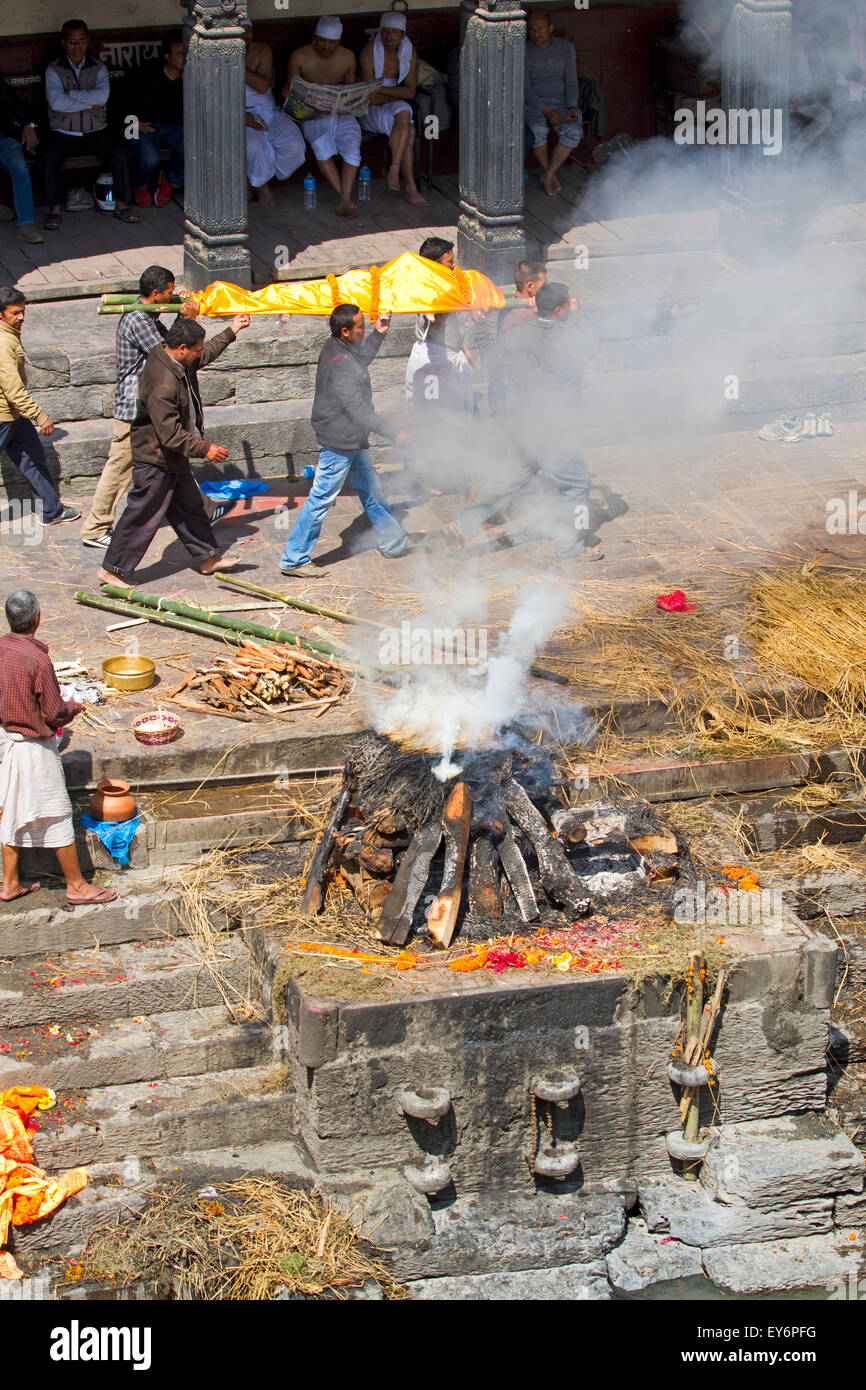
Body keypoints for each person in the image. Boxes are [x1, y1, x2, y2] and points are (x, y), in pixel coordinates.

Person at [448, 282, 602, 562]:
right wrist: (579, 314)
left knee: (509, 479)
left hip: (522, 423)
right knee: (577, 483)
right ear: (560, 309)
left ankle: (462, 525)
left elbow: (491, 358)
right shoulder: (569, 336)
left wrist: (482, 326)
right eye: (568, 303)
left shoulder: (519, 335)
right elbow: (593, 340)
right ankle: (570, 548)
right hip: (552, 427)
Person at [97, 314, 250, 585]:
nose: (199, 355)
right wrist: (204, 449)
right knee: (143, 513)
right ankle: (113, 569)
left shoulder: (172, 356)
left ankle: (207, 557)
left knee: (190, 507)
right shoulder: (163, 382)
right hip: (155, 458)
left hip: (172, 458)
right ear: (182, 349)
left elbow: (204, 355)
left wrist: (232, 329)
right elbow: (169, 434)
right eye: (196, 350)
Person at [0, 590, 117, 906]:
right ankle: (76, 885)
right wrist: (73, 706)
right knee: (57, 814)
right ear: (37, 619)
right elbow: (53, 714)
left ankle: (10, 882)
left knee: (11, 810)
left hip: (5, 740)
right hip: (31, 749)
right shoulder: (37, 659)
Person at [279, 304, 412, 576]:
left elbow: (359, 360)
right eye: (361, 327)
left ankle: (393, 541)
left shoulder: (339, 348)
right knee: (322, 498)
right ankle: (294, 559)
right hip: (339, 443)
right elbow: (360, 412)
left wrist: (379, 333)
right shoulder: (340, 365)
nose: (364, 329)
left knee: (372, 489)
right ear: (345, 331)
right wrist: (394, 432)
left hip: (350, 440)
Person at [81, 265, 205, 551]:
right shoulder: (137, 319)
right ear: (156, 293)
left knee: (174, 459)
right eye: (170, 292)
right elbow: (167, 352)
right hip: (132, 407)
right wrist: (186, 319)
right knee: (120, 467)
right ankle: (96, 526)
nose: (173, 296)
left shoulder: (150, 316)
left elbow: (172, 343)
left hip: (147, 406)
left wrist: (178, 316)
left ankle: (203, 510)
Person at [42, 19, 137, 231]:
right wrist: (88, 101)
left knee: (119, 154)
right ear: (63, 42)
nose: (77, 45)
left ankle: (122, 206)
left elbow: (102, 97)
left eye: (81, 40)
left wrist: (71, 95)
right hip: (64, 131)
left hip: (96, 130)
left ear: (88, 41)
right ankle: (54, 211)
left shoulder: (99, 67)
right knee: (49, 158)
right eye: (72, 41)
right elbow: (56, 103)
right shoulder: (53, 69)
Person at [0, 287, 79, 525]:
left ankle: (51, 510)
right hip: (4, 416)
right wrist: (40, 416)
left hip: (15, 418)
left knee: (33, 458)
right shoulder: (3, 344)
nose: (21, 317)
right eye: (15, 313)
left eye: (22, 312)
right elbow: (13, 391)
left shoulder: (10, 334)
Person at [284, 17, 363, 217]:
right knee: (321, 145)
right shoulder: (299, 56)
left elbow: (350, 89)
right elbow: (291, 89)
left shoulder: (347, 57)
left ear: (339, 41)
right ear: (314, 37)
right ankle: (344, 198)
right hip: (311, 113)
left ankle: (344, 199)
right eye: (322, 40)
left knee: (353, 143)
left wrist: (352, 99)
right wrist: (288, 93)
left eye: (332, 42)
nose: (326, 46)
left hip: (339, 112)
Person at [359, 14, 429, 206]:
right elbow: (369, 96)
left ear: (402, 35)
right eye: (385, 32)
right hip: (370, 108)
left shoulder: (409, 52)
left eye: (394, 32)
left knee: (405, 112)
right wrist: (396, 93)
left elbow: (411, 92)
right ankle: (410, 187)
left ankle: (394, 168)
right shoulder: (368, 52)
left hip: (389, 101)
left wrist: (381, 89)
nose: (389, 36)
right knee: (409, 129)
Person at [405, 236, 475, 414]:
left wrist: (465, 350)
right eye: (450, 262)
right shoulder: (429, 291)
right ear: (436, 265)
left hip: (450, 353)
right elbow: (436, 324)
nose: (454, 266)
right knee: (437, 412)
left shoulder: (443, 286)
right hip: (432, 361)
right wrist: (450, 300)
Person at [242, 23, 305, 207]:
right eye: (241, 30)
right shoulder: (215, 55)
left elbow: (262, 86)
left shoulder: (262, 50)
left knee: (294, 146)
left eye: (249, 30)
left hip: (268, 110)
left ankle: (253, 178)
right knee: (255, 145)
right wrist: (243, 117)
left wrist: (235, 63)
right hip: (235, 112)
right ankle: (261, 185)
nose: (246, 35)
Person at [525, 11, 582, 197]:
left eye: (540, 29)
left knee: (573, 131)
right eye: (532, 30)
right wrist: (546, 110)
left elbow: (572, 81)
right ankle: (548, 172)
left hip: (562, 103)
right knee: (537, 130)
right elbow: (525, 89)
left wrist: (573, 106)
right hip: (534, 104)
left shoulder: (566, 48)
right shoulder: (523, 50)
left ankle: (549, 174)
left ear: (550, 28)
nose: (536, 33)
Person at [129, 29, 185, 209]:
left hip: (172, 127)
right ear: (167, 56)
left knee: (196, 151)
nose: (185, 58)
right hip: (141, 125)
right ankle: (140, 185)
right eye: (179, 54)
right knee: (150, 158)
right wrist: (133, 122)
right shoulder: (147, 74)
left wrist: (188, 82)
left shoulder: (190, 76)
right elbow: (122, 102)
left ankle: (170, 180)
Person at [0, 72, 43, 244]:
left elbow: (13, 102)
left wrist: (28, 124)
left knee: (19, 167)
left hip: (3, 138)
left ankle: (26, 224)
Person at [499, 259, 548, 334]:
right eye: (543, 285)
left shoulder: (512, 301)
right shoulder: (525, 315)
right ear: (530, 286)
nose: (547, 289)